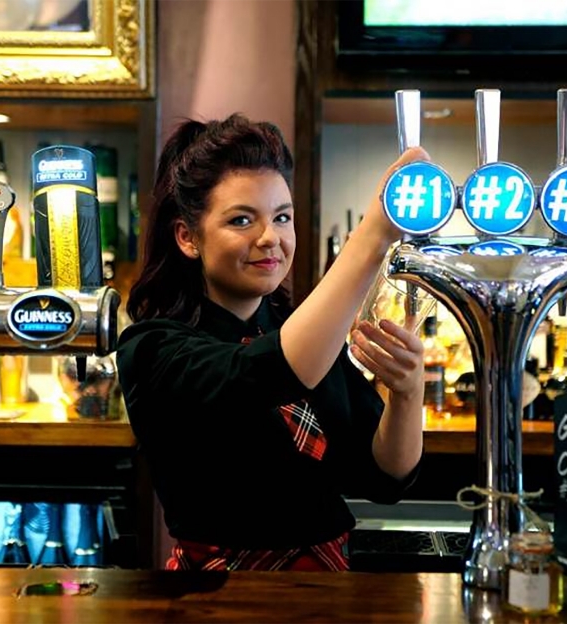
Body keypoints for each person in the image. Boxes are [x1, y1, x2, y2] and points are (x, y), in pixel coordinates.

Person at [116, 113, 429, 572]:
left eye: (282, 217)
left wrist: (407, 391)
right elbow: (264, 373)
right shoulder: (154, 349)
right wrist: (375, 235)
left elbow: (385, 478)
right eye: (242, 220)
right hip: (220, 597)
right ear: (187, 237)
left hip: (329, 592)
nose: (271, 238)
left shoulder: (300, 334)